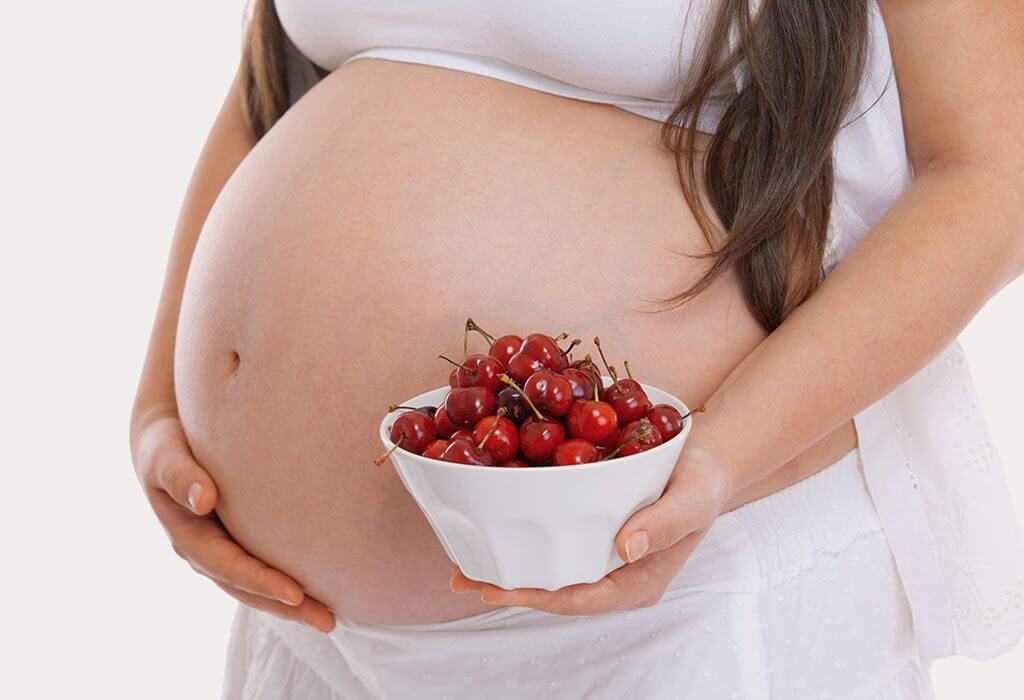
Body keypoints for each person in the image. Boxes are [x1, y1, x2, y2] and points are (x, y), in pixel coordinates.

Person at [130, 1, 1024, 697]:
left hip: (668, 611)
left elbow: (993, 173)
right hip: (323, 642)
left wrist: (718, 461)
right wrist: (163, 401)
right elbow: (271, 89)